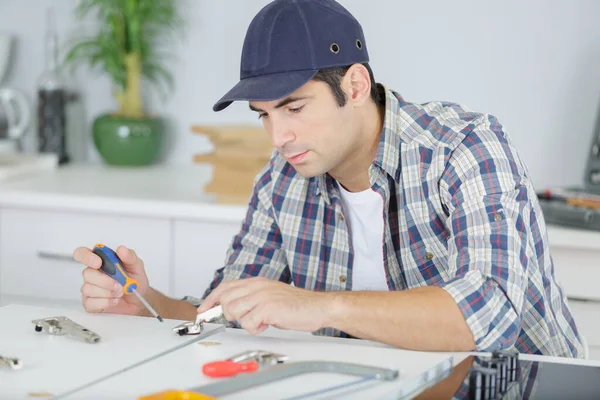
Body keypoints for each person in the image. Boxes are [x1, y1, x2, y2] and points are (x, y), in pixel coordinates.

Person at [73, 0, 584, 357]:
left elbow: (488, 316)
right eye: (264, 115)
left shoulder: (464, 148)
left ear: (356, 85)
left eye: (294, 107)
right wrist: (146, 303)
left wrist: (315, 306)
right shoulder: (284, 177)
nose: (278, 136)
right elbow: (229, 309)